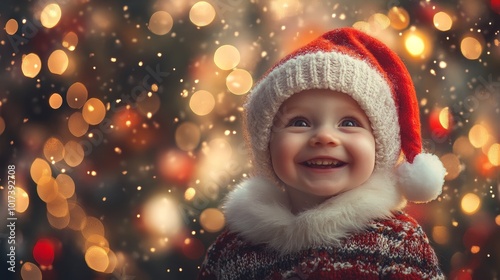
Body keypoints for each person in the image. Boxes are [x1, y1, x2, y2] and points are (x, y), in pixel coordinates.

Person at [198, 27, 446, 279]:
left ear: (379, 148)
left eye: (349, 123)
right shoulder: (231, 252)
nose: (324, 137)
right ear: (267, 146)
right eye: (300, 122)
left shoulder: (398, 243)